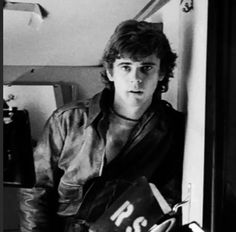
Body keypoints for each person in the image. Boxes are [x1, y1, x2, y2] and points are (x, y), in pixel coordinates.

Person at [18, 19, 186, 232]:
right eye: (126, 67)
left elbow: (169, 196)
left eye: (146, 68)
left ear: (161, 73)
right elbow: (36, 191)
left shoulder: (172, 129)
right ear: (110, 72)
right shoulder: (68, 120)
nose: (136, 79)